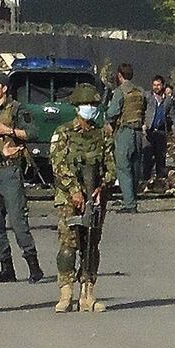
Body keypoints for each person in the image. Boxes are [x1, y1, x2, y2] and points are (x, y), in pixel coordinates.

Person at [50, 83, 116, 314]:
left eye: (94, 105)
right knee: (68, 246)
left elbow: (110, 166)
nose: (90, 109)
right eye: (86, 104)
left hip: (95, 199)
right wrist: (74, 190)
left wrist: (101, 186)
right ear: (77, 107)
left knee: (91, 246)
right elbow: (58, 165)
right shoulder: (63, 133)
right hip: (69, 198)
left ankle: (88, 293)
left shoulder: (103, 133)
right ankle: (65, 293)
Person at [0, 73, 42, 284]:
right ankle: (6, 266)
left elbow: (34, 132)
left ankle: (33, 266)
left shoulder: (16, 109)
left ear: (4, 88)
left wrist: (9, 130)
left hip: (10, 170)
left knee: (18, 222)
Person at [105, 63, 146, 213]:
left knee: (124, 168)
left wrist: (108, 121)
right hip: (138, 133)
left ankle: (129, 204)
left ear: (120, 76)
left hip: (125, 132)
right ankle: (132, 198)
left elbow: (113, 112)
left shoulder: (120, 91)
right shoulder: (140, 91)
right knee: (135, 167)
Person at [142, 75, 173, 187]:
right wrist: (143, 124)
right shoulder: (147, 97)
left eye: (158, 85)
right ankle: (145, 182)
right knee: (147, 158)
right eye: (154, 85)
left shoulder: (168, 100)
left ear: (163, 85)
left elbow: (172, 114)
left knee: (161, 158)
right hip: (149, 131)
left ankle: (160, 182)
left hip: (161, 132)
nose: (156, 87)